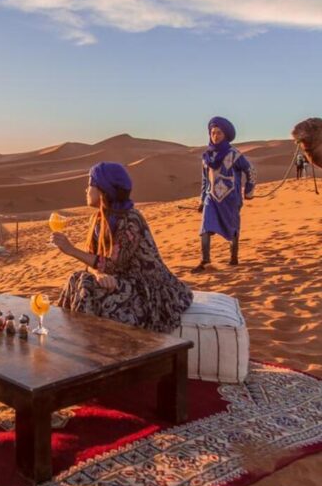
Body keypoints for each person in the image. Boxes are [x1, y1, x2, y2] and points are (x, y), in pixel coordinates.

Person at [52, 162, 193, 333]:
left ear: (104, 189)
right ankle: (64, 333)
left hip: (146, 290)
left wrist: (71, 250)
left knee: (86, 284)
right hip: (119, 280)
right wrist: (99, 274)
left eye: (90, 184)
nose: (86, 190)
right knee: (76, 278)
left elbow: (111, 263)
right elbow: (94, 263)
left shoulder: (130, 220)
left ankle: (85, 345)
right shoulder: (98, 219)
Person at [192, 117, 256, 273]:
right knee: (205, 227)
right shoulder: (207, 156)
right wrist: (202, 200)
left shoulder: (234, 154)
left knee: (233, 228)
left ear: (225, 135)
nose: (215, 136)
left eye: (219, 133)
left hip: (231, 198)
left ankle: (233, 258)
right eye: (213, 133)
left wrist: (249, 191)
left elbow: (250, 170)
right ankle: (205, 261)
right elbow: (205, 180)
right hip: (211, 197)